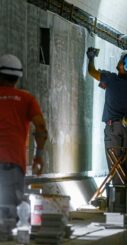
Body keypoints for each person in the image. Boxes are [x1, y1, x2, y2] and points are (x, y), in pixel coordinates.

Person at [0, 54, 48, 238]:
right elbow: (41, 128)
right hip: (14, 162)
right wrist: (38, 156)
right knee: (10, 210)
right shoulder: (27, 99)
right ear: (18, 77)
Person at [86, 48, 127, 186]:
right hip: (126, 128)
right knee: (126, 160)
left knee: (115, 160)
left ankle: (118, 198)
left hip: (113, 128)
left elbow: (92, 71)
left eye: (120, 60)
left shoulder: (110, 79)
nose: (118, 61)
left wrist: (91, 57)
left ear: (122, 64)